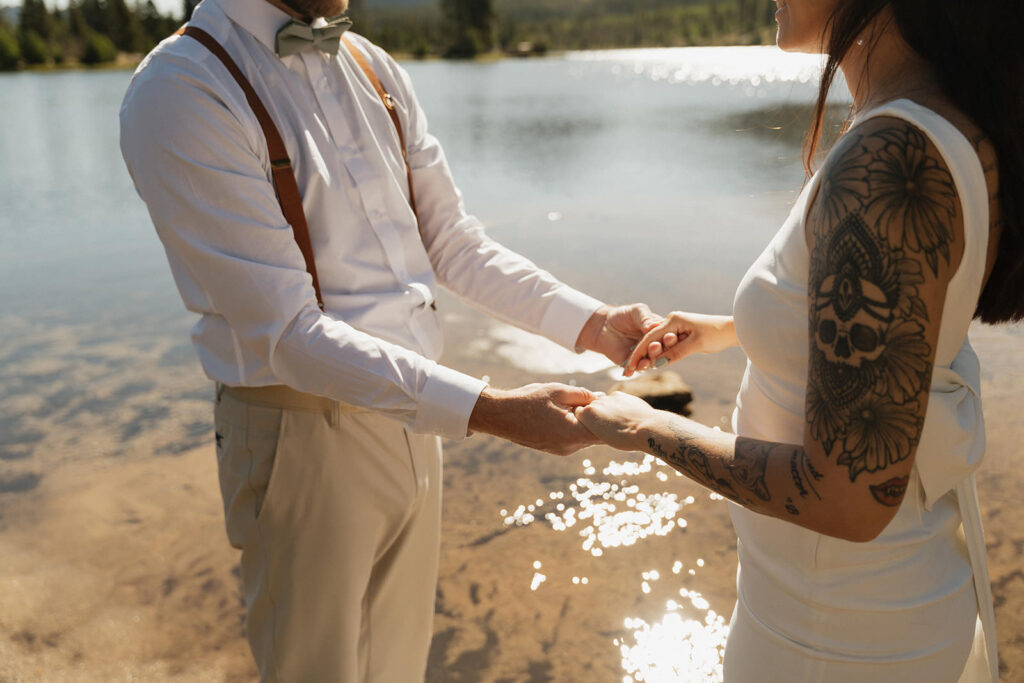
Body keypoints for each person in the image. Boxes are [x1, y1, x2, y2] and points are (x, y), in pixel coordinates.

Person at [119, 0, 661, 679]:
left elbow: (454, 245)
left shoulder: (373, 66)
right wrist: (489, 409)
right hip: (300, 436)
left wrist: (594, 325)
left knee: (400, 665)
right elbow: (287, 333)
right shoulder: (183, 88)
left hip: (419, 422)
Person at [576, 1, 1022, 681]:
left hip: (833, 635)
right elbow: (907, 327)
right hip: (860, 607)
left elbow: (847, 494)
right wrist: (732, 330)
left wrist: (645, 429)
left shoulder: (891, 157)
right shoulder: (926, 123)